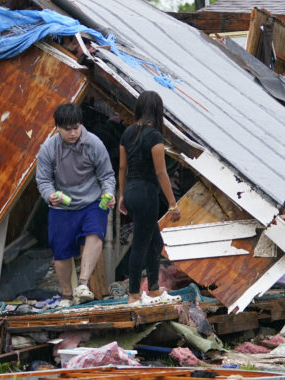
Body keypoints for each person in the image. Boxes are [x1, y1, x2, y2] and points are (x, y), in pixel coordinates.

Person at [36, 103, 116, 307]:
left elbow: (107, 175)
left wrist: (108, 193)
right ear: (58, 128)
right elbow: (43, 180)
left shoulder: (94, 144)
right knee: (60, 250)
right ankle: (66, 295)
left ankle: (82, 284)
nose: (73, 133)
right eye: (67, 129)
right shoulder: (48, 148)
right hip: (62, 204)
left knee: (95, 233)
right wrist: (49, 195)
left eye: (76, 127)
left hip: (92, 201)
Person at [117, 91, 181, 306]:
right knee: (141, 244)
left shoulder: (127, 133)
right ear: (157, 111)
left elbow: (123, 167)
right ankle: (134, 294)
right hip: (147, 193)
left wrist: (122, 196)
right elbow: (161, 173)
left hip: (132, 191)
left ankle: (153, 289)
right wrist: (172, 203)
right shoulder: (154, 136)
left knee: (155, 242)